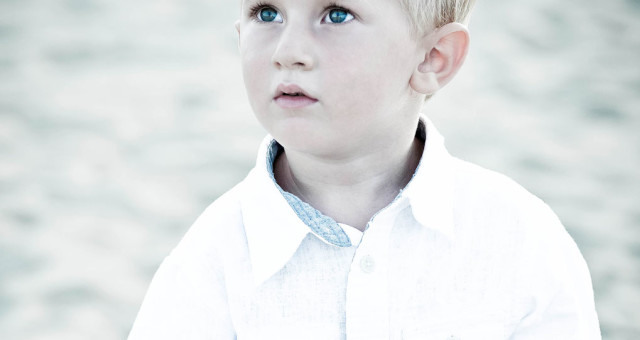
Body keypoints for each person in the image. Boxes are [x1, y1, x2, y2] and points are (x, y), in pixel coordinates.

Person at [128, 0, 601, 338]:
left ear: (432, 58)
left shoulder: (520, 238)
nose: (287, 50)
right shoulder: (211, 261)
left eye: (336, 15)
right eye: (266, 13)